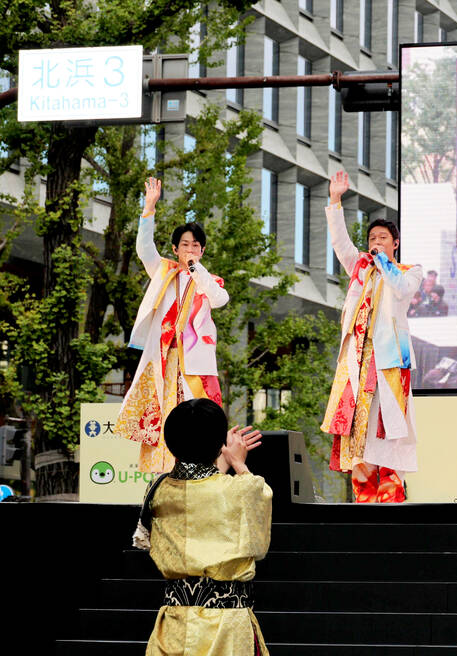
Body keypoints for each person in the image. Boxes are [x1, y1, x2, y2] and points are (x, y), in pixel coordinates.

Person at [134, 398, 272, 656]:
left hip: (174, 622)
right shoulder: (242, 489)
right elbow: (257, 531)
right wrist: (237, 462)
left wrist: (220, 457)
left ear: (170, 441)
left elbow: (199, 490)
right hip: (226, 626)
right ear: (218, 444)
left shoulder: (158, 489)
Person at [322, 170, 423, 503]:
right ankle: (363, 503)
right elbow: (340, 242)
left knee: (390, 429)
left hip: (389, 363)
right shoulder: (360, 269)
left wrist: (383, 263)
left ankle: (391, 502)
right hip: (358, 361)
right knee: (360, 434)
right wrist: (335, 199)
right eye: (372, 239)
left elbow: (402, 289)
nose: (375, 243)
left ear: (395, 244)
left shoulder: (409, 272)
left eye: (382, 238)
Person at [116, 178, 229, 473]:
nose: (190, 249)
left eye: (195, 245)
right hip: (165, 358)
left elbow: (219, 299)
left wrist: (197, 270)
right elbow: (144, 249)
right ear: (175, 248)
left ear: (202, 251)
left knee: (198, 414)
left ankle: (198, 467)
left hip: (195, 363)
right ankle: (164, 470)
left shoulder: (209, 280)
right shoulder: (163, 271)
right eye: (184, 245)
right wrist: (149, 207)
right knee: (164, 412)